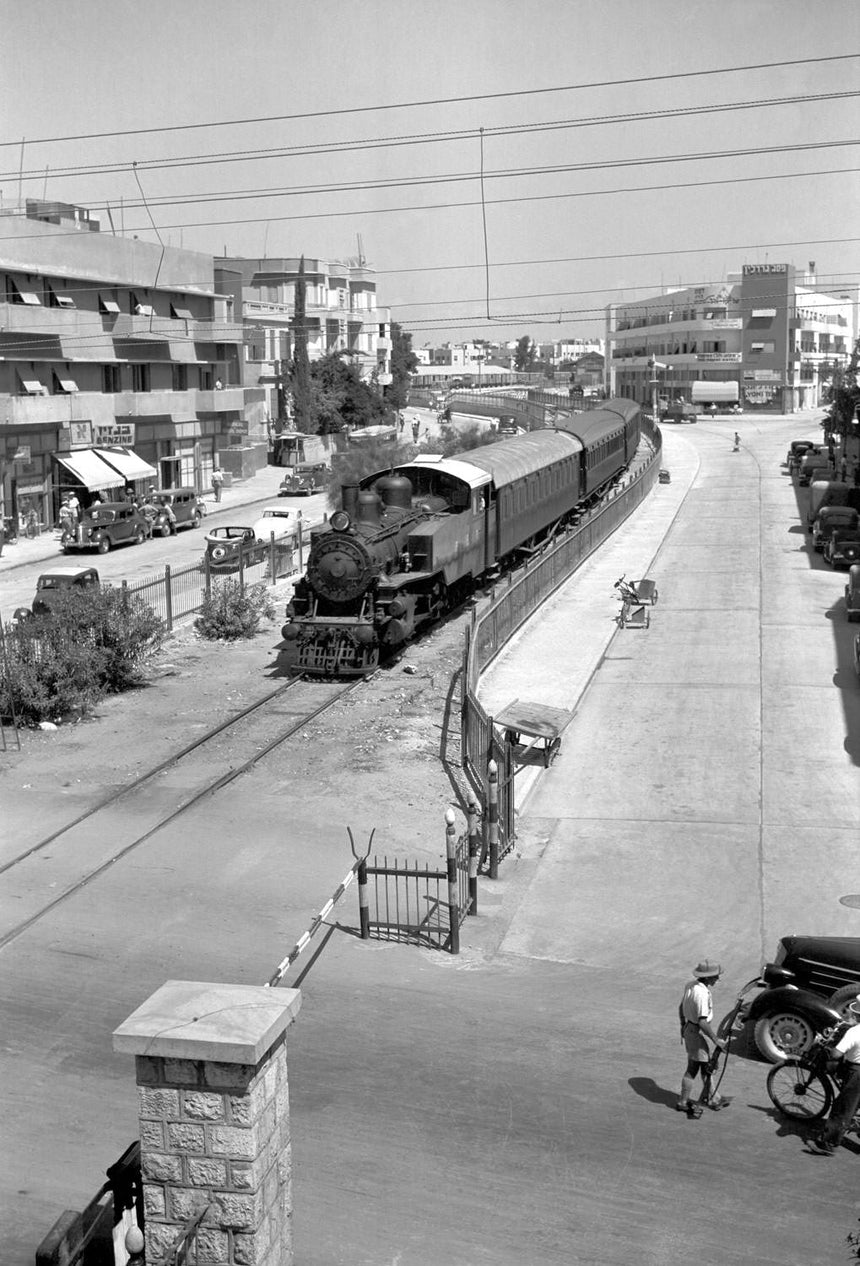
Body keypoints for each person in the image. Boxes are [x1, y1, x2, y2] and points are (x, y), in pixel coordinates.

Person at [677, 960, 731, 1118]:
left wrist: (682, 1025)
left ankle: (714, 1097)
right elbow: (702, 1022)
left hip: (689, 1029)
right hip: (696, 1033)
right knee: (693, 1069)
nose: (717, 979)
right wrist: (716, 1040)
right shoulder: (701, 994)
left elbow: (681, 1006)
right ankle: (682, 1102)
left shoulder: (690, 985)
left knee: (706, 1067)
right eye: (715, 977)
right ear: (707, 978)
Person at [811, 998, 860, 1155]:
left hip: (857, 1073)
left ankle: (827, 1143)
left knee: (843, 1108)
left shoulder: (853, 1032)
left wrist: (832, 1051)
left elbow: (837, 1053)